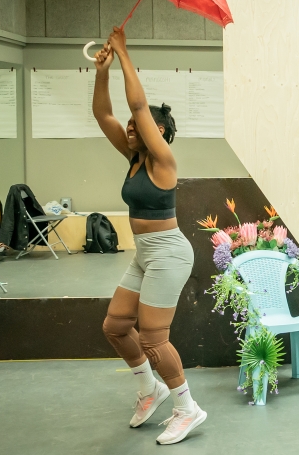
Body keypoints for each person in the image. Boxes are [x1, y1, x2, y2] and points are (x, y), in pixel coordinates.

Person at [93, 28, 205, 445]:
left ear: (157, 131)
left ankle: (186, 408)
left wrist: (123, 53)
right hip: (145, 253)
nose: (129, 127)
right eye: (130, 126)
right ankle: (149, 390)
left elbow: (138, 105)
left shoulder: (163, 161)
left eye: (138, 126)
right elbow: (104, 115)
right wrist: (102, 72)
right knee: (116, 326)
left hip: (169, 253)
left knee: (155, 338)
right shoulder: (134, 159)